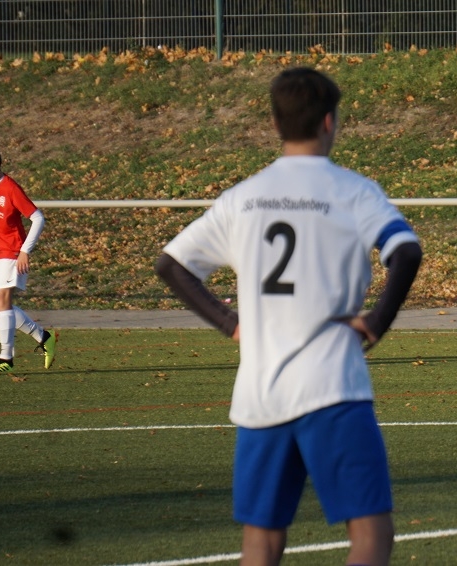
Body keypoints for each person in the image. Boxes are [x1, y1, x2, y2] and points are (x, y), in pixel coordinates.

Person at [155, 67, 422, 566]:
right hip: (333, 386)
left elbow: (171, 265)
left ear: (276, 123)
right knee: (370, 536)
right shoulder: (353, 191)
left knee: (262, 542)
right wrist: (377, 322)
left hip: (261, 392)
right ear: (329, 121)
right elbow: (405, 251)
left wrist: (231, 324)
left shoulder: (243, 198)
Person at [0, 141, 58, 374]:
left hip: (12, 251)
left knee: (4, 302)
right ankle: (44, 337)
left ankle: (6, 358)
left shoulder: (10, 188)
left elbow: (38, 218)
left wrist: (25, 251)